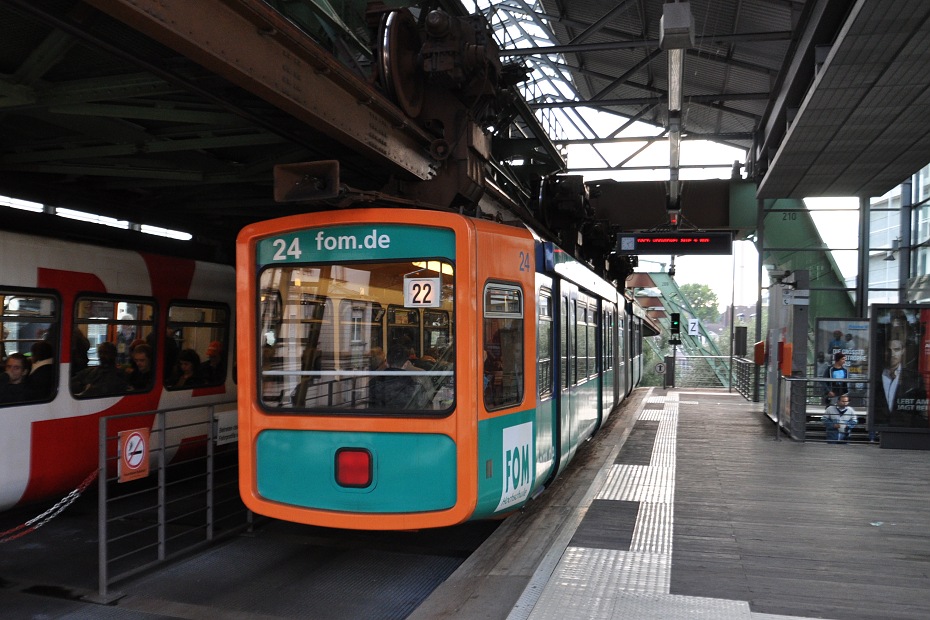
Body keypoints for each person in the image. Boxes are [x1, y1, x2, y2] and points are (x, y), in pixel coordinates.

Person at [874, 336, 927, 427]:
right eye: (888, 350)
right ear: (884, 352)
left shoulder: (915, 378)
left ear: (903, 351)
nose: (892, 354)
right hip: (880, 429)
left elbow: (920, 408)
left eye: (896, 350)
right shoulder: (875, 376)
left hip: (905, 429)